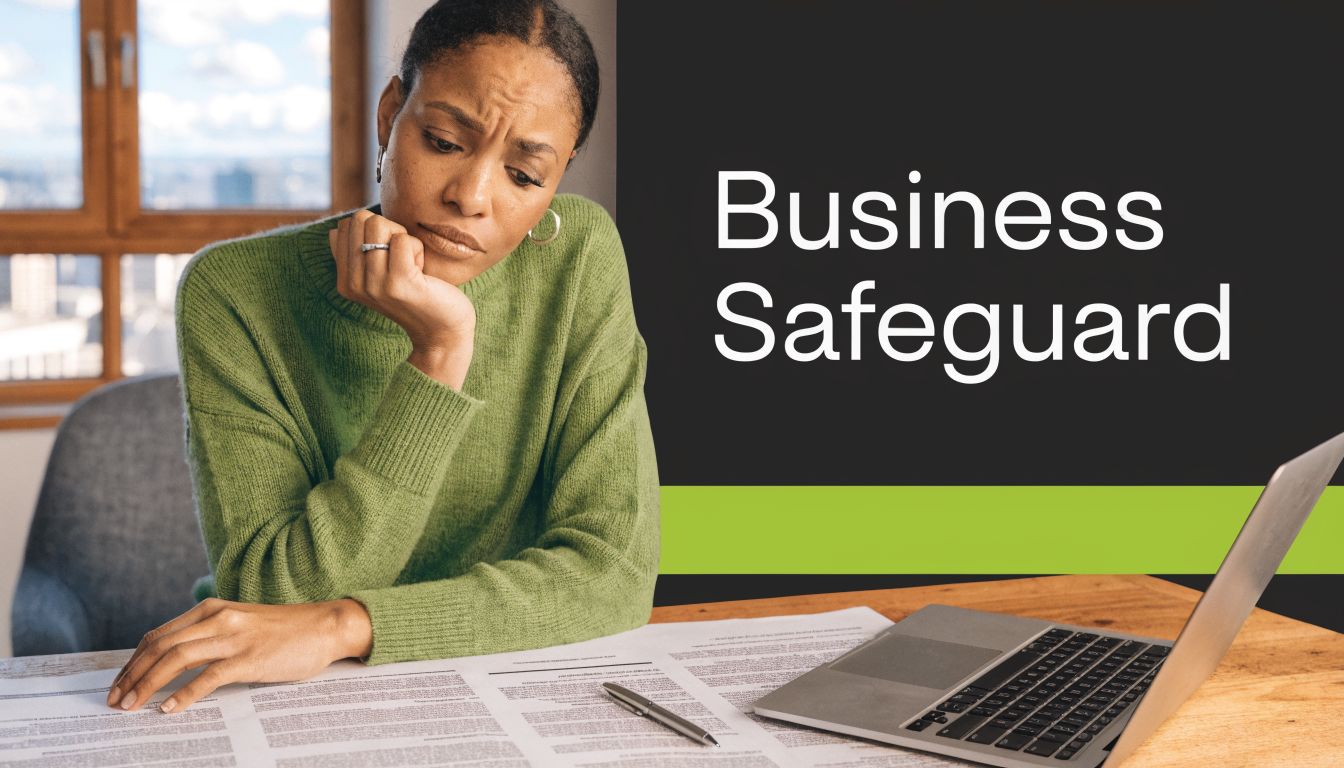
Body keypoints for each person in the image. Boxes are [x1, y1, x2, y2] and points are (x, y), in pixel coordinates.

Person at [104, 0, 658, 715]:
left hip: (508, 678)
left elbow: (613, 573)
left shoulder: (579, 257)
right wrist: (439, 355)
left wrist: (350, 624)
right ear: (389, 114)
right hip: (289, 698)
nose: (471, 197)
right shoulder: (234, 292)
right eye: (444, 140)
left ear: (560, 176)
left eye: (525, 175)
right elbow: (277, 600)